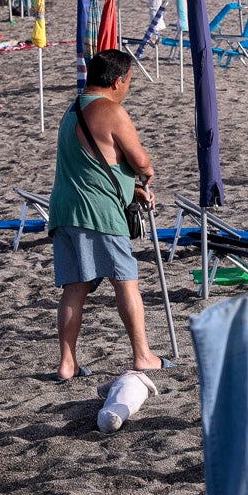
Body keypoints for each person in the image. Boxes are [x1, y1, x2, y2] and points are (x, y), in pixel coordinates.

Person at [48, 50, 170, 381]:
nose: (128, 88)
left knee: (75, 287)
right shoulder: (110, 110)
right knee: (125, 280)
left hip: (63, 209)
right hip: (97, 211)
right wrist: (145, 175)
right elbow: (140, 160)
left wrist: (130, 189)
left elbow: (94, 162)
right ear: (118, 81)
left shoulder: (72, 110)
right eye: (128, 82)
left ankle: (67, 363)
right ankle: (143, 356)